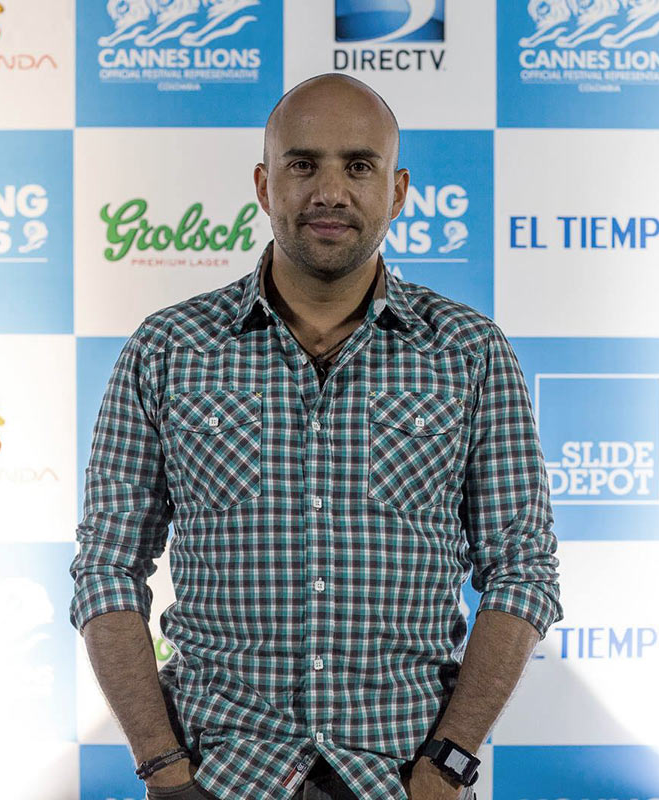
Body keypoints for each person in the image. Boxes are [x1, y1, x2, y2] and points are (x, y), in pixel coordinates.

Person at [70, 73, 561, 800]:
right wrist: (164, 771)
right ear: (264, 185)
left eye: (358, 166)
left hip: (402, 778)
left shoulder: (468, 353)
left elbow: (522, 568)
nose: (330, 191)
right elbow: (107, 567)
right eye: (303, 165)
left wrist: (447, 765)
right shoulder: (168, 350)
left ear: (397, 191)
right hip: (221, 776)